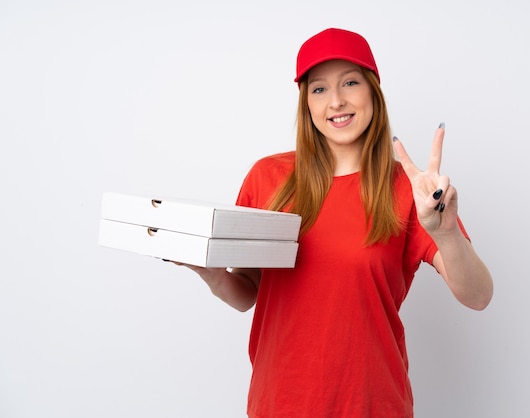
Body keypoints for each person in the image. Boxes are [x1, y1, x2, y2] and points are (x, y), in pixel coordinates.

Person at [181, 27, 493, 418]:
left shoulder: (410, 190)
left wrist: (446, 233)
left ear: (372, 92)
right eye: (319, 89)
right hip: (279, 404)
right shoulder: (267, 179)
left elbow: (478, 296)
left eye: (350, 82)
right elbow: (247, 294)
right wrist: (209, 272)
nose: (337, 101)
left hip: (373, 405)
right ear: (306, 103)